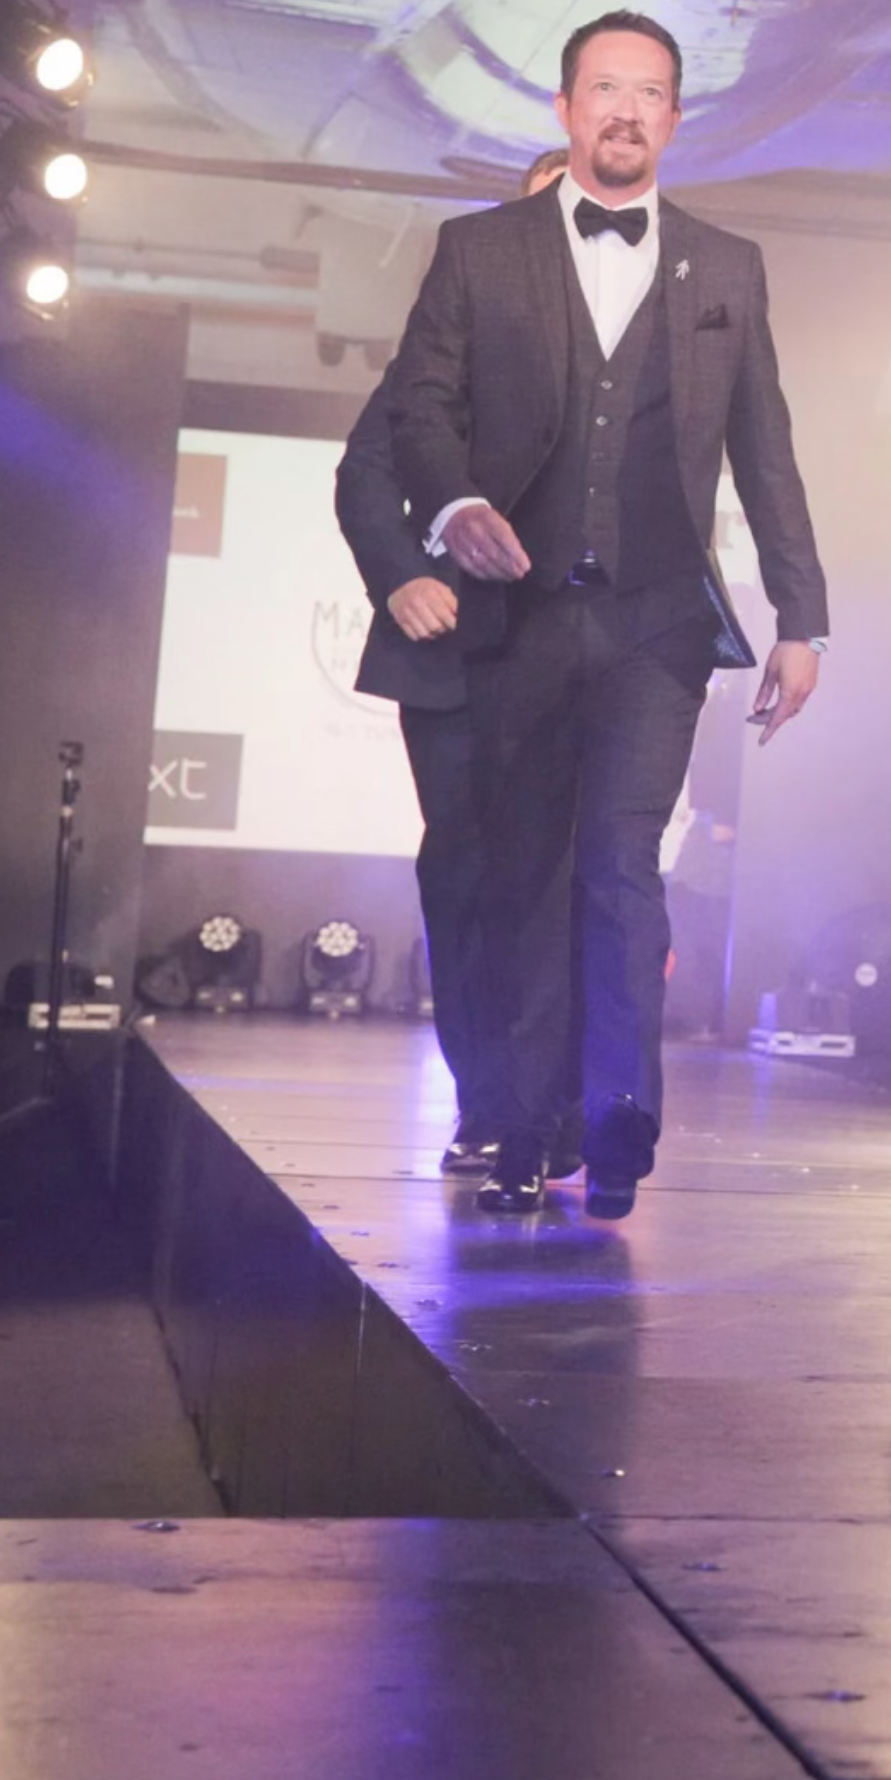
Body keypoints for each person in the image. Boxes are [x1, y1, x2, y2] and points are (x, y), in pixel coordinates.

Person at [385, 8, 829, 1217]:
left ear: (674, 118)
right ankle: (525, 1130)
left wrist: (802, 617)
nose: (627, 110)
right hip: (521, 617)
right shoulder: (480, 250)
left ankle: (617, 1118)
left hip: (656, 625)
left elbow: (765, 448)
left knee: (622, 865)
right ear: (567, 108)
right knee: (527, 875)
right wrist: (454, 504)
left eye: (650, 92)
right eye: (605, 89)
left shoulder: (727, 265)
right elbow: (419, 407)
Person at [334, 145, 569, 1173]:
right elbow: (363, 473)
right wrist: (400, 577)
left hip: (579, 660)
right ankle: (490, 1103)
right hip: (453, 657)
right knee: (468, 872)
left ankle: (558, 1105)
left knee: (575, 880)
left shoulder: (639, 351)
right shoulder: (446, 346)